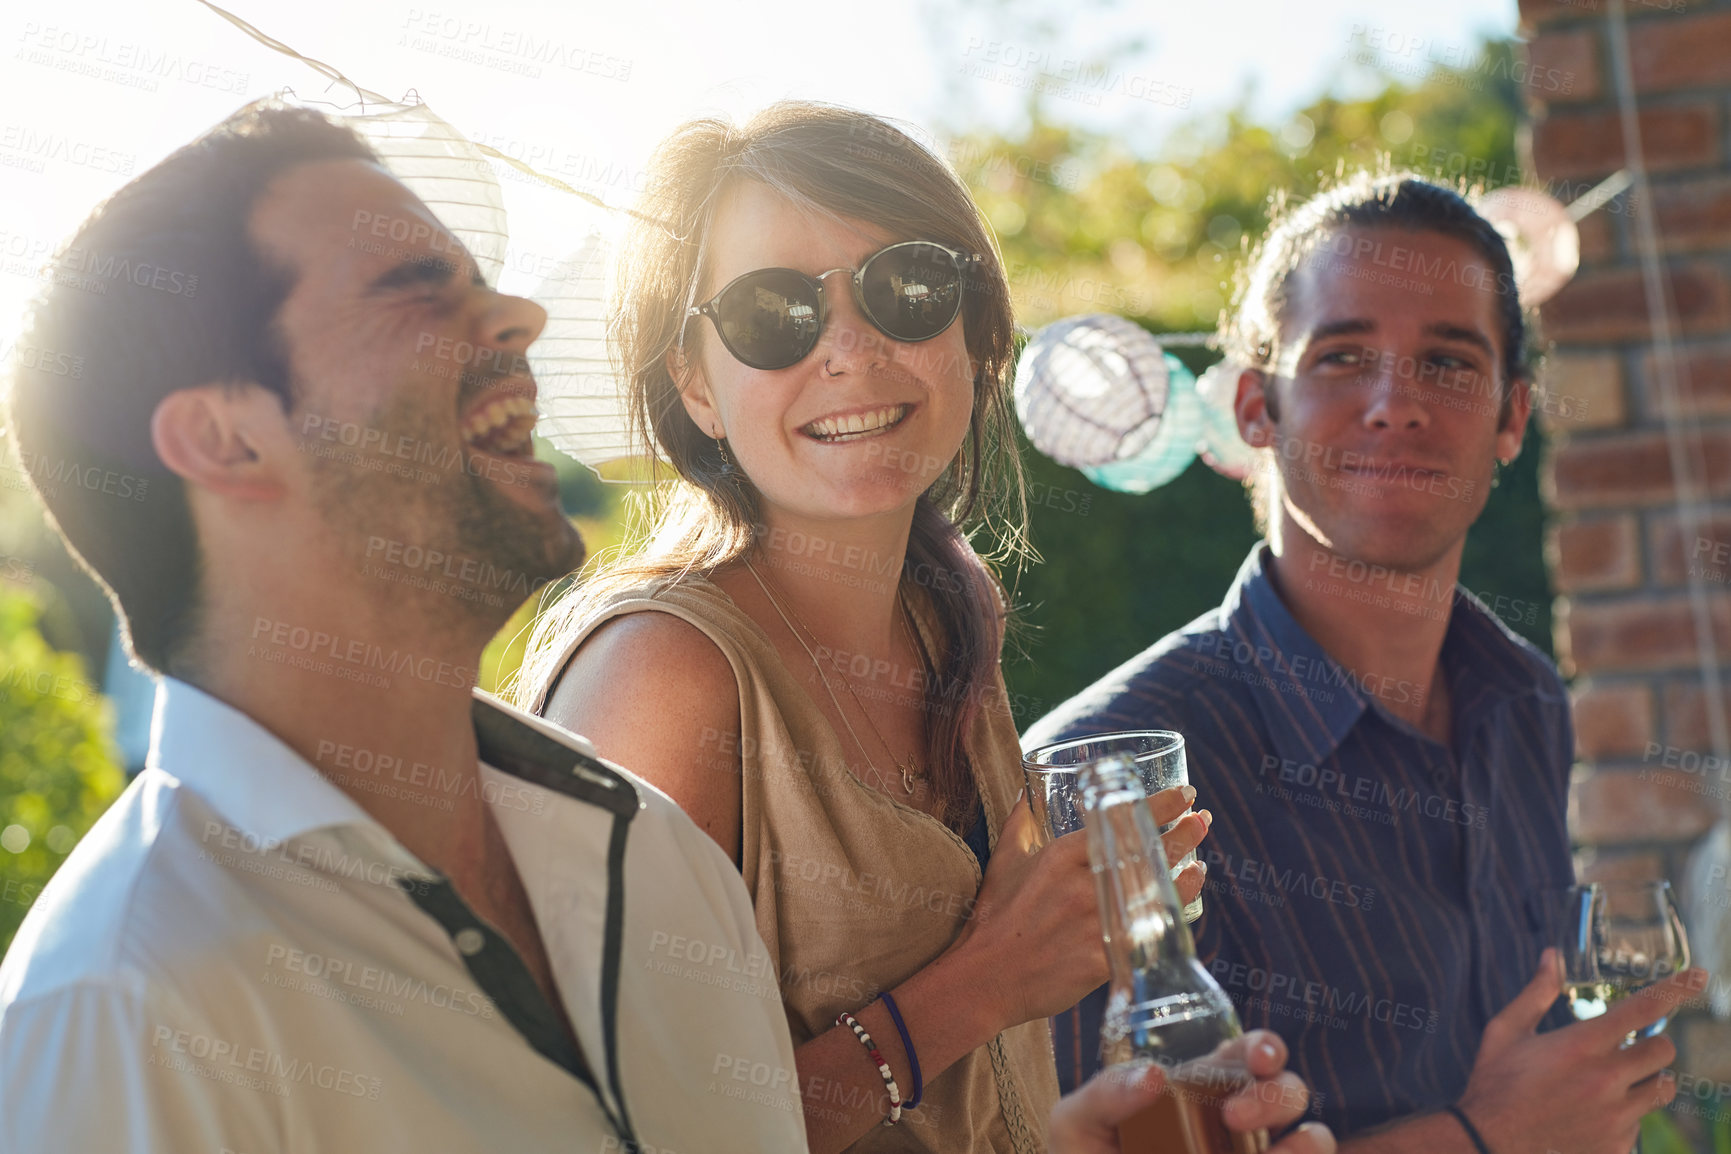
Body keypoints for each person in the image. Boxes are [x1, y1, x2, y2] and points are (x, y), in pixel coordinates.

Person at [0, 101, 805, 1153]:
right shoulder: (127, 1001)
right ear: (225, 438)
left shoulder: (655, 853)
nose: (520, 315)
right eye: (419, 285)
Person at [514, 102, 1226, 1153]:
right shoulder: (662, 674)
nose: (851, 347)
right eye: (771, 312)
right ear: (697, 386)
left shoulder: (950, 619)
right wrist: (984, 981)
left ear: (979, 336)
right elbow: (612, 1135)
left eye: (908, 286)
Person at [1025, 172, 1704, 1151]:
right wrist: (1484, 1134)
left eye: (1449, 362)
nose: (1396, 402)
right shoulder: (1109, 779)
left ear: (1513, 416)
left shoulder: (1526, 697)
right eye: (1343, 356)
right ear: (1257, 406)